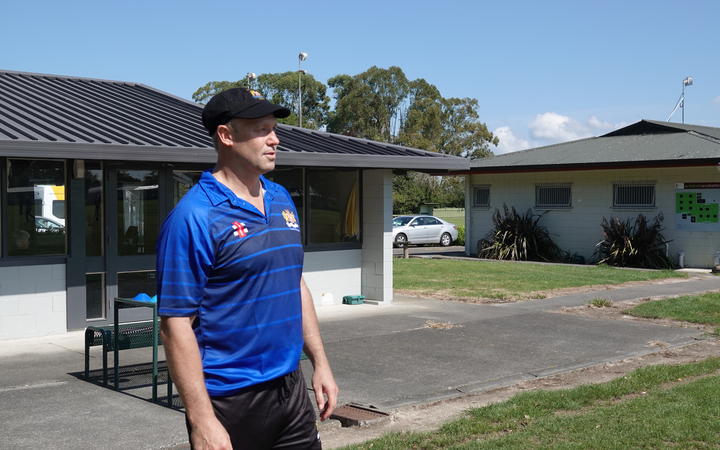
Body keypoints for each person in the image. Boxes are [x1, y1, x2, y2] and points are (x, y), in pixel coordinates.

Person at [157, 88, 338, 450]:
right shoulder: (194, 217)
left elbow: (294, 283)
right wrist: (202, 419)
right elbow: (175, 324)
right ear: (226, 135)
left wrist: (320, 361)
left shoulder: (281, 198)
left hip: (290, 386)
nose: (275, 140)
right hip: (230, 398)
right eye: (261, 129)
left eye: (274, 128)